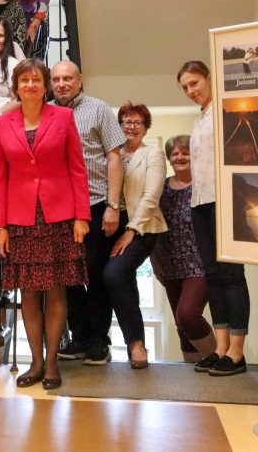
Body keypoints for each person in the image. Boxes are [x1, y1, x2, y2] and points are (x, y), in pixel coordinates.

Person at [0, 59, 89, 390]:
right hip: (20, 220)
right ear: (16, 86)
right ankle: (34, 362)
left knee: (56, 289)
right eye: (24, 80)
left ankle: (51, 364)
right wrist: (1, 226)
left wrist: (81, 216)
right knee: (29, 292)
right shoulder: (3, 123)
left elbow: (77, 169)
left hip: (58, 217)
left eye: (36, 79)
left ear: (45, 85)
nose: (30, 85)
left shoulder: (63, 117)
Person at [48, 61, 126, 367]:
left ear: (80, 80)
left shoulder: (98, 109)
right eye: (56, 79)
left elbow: (115, 157)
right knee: (68, 277)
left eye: (68, 78)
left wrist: (113, 205)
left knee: (95, 275)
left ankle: (98, 341)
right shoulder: (47, 112)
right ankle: (78, 337)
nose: (62, 84)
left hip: (96, 205)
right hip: (60, 209)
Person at [178, 60, 250, 376]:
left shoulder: (225, 109)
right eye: (184, 88)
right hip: (201, 202)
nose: (190, 91)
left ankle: (237, 352)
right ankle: (220, 347)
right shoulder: (200, 118)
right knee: (213, 275)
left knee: (231, 274)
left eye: (194, 83)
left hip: (226, 200)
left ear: (209, 78)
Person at [102, 102, 168, 370]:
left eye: (137, 122)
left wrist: (131, 230)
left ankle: (135, 344)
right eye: (126, 122)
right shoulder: (111, 154)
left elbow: (151, 197)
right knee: (123, 280)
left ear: (145, 127)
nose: (131, 126)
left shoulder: (152, 154)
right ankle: (124, 343)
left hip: (142, 227)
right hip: (111, 223)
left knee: (114, 275)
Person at [155, 135, 215, 362]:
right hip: (169, 264)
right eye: (175, 153)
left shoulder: (204, 186)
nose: (180, 157)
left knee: (188, 315)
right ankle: (192, 381)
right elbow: (153, 224)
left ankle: (218, 358)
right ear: (169, 159)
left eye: (185, 152)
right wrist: (154, 260)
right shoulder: (161, 188)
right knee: (182, 326)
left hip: (199, 263)